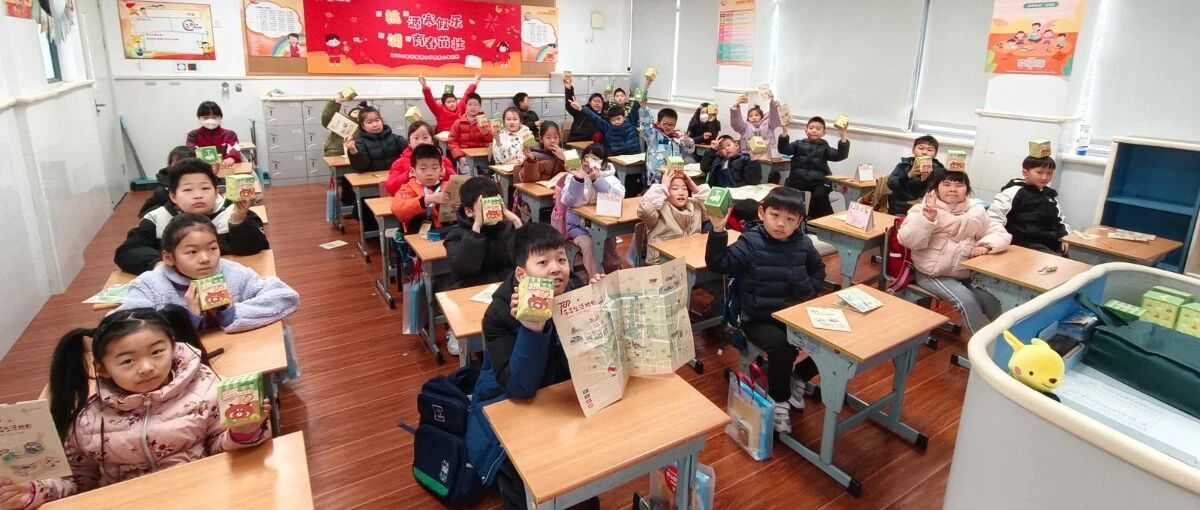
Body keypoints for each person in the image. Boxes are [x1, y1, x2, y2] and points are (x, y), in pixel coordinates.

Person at [0, 307, 270, 508]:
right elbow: (79, 481)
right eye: (128, 361)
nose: (147, 367)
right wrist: (35, 491)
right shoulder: (88, 420)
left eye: (157, 352)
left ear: (173, 348)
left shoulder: (205, 390)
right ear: (103, 370)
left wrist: (243, 432)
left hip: (204, 496)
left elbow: (219, 451)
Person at [467, 223, 603, 510]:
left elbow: (590, 361)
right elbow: (520, 388)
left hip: (562, 399)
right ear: (521, 274)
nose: (556, 269)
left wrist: (601, 309)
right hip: (510, 407)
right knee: (533, 486)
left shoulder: (574, 290)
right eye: (543, 262)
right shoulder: (499, 314)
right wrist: (532, 328)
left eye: (561, 259)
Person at [705, 187, 825, 433]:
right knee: (782, 346)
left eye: (790, 219)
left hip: (794, 315)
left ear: (799, 222)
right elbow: (719, 263)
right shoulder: (751, 242)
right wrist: (717, 229)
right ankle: (779, 400)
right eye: (775, 215)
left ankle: (799, 377)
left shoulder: (803, 243)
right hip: (758, 319)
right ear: (762, 213)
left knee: (831, 342)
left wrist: (809, 293)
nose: (781, 224)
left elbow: (818, 270)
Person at [116, 214, 299, 333]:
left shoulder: (232, 273)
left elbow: (285, 297)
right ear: (169, 258)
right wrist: (187, 319)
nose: (205, 258)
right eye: (192, 252)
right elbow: (122, 329)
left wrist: (231, 313)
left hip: (237, 355)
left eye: (212, 248)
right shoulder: (151, 284)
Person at [899, 172, 1011, 334]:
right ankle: (982, 346)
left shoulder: (976, 211)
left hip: (965, 272)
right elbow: (908, 240)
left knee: (992, 301)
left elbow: (998, 233)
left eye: (959, 185)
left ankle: (1008, 341)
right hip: (933, 274)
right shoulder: (922, 209)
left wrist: (986, 245)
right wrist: (927, 220)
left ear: (967, 189)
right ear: (936, 188)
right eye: (947, 184)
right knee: (967, 301)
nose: (953, 189)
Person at [115, 158, 268, 275]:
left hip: (225, 282)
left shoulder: (232, 212)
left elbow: (257, 250)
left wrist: (238, 221)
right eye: (188, 190)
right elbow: (128, 252)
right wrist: (159, 263)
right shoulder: (157, 219)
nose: (198, 195)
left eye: (205, 188)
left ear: (216, 192)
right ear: (173, 196)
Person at [441, 177, 523, 356]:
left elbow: (526, 258)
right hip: (470, 291)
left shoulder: (507, 229)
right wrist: (477, 227)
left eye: (495, 204)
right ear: (469, 211)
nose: (492, 210)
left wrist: (516, 221)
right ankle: (458, 332)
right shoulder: (456, 235)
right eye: (484, 206)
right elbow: (464, 267)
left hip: (503, 291)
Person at [556, 144, 625, 279]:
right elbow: (568, 202)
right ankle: (597, 278)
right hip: (578, 226)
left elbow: (616, 199)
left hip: (601, 224)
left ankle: (613, 274)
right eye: (585, 158)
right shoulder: (573, 175)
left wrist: (597, 180)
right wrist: (578, 180)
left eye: (593, 159)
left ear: (602, 163)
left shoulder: (610, 176)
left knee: (607, 245)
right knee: (588, 244)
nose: (588, 162)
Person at [987, 156, 1070, 255]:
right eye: (1039, 172)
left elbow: (1060, 220)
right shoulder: (1012, 192)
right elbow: (994, 219)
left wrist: (1065, 237)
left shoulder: (1050, 195)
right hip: (1023, 244)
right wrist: (994, 242)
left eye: (1049, 173)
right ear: (1025, 173)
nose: (1045, 177)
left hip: (1050, 243)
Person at [779, 116, 850, 219]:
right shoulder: (798, 144)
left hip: (819, 184)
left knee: (819, 197)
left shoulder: (825, 147)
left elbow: (840, 155)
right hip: (797, 182)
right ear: (806, 130)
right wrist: (784, 131)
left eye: (818, 128)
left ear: (824, 133)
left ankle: (822, 223)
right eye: (811, 128)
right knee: (789, 200)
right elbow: (783, 149)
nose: (814, 130)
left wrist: (843, 135)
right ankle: (800, 220)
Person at [638, 169, 709, 265]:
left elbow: (717, 214)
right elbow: (645, 210)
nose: (681, 192)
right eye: (675, 189)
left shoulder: (695, 205)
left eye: (684, 188)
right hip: (663, 263)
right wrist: (662, 187)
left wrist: (697, 190)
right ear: (665, 192)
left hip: (691, 259)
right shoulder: (658, 209)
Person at [392, 145, 456, 234]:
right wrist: (426, 200)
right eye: (423, 169)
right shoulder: (408, 189)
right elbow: (398, 210)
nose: (429, 173)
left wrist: (459, 206)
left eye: (434, 168)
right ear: (413, 171)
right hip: (417, 235)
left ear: (441, 170)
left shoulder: (449, 186)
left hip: (448, 234)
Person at [385, 121, 455, 195]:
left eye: (425, 138)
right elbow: (390, 188)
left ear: (432, 141)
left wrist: (445, 173)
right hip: (412, 199)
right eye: (416, 138)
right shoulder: (400, 163)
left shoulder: (443, 160)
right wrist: (408, 175)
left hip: (439, 199)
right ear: (409, 142)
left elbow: (456, 183)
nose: (421, 142)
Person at [887, 135, 946, 215]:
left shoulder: (940, 171)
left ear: (935, 154)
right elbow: (891, 185)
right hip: (901, 208)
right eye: (921, 148)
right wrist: (908, 175)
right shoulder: (903, 165)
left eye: (930, 150)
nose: (924, 152)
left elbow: (941, 193)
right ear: (913, 150)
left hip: (926, 210)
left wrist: (926, 179)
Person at [639, 106, 695, 186]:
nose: (668, 127)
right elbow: (645, 126)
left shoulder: (677, 138)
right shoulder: (653, 135)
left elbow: (690, 149)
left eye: (671, 124)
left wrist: (688, 141)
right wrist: (643, 108)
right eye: (665, 124)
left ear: (675, 125)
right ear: (658, 123)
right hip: (656, 178)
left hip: (673, 177)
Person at [568, 98, 641, 156]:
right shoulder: (607, 127)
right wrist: (580, 108)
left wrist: (645, 89)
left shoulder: (631, 122)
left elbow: (636, 108)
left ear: (624, 118)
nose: (616, 122)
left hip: (635, 156)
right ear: (610, 120)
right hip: (616, 159)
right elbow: (594, 117)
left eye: (618, 119)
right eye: (613, 120)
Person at [346, 104, 407, 173]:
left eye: (377, 120)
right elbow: (360, 168)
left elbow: (411, 155)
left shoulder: (396, 139)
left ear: (382, 121)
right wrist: (353, 151)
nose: (375, 125)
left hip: (395, 176)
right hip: (371, 179)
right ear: (363, 126)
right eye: (369, 122)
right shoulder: (360, 143)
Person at [138, 145, 194, 217]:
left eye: (187, 162)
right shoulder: (162, 191)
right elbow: (146, 213)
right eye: (178, 162)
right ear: (170, 165)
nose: (183, 166)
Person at [185, 101, 241, 167]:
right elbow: (191, 154)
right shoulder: (193, 135)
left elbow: (234, 149)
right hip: (202, 169)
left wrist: (231, 158)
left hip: (225, 168)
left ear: (221, 117)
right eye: (205, 118)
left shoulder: (230, 134)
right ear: (198, 118)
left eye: (214, 117)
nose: (210, 121)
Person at [447, 93, 495, 161]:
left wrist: (486, 133)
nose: (473, 107)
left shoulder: (486, 122)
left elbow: (491, 141)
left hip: (482, 157)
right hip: (464, 157)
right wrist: (460, 156)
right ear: (466, 106)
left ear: (480, 106)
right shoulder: (458, 123)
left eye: (476, 105)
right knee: (467, 167)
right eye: (470, 105)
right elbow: (452, 142)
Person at [562, 75, 604, 143]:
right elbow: (570, 105)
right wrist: (568, 89)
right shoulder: (581, 110)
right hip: (576, 141)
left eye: (599, 102)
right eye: (595, 101)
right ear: (589, 102)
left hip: (593, 143)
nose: (597, 103)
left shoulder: (603, 116)